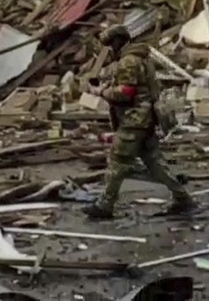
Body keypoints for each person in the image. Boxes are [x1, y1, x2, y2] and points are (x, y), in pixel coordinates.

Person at [83, 25, 194, 220]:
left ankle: (105, 205)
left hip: (133, 120)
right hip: (145, 119)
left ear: (118, 42)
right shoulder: (142, 58)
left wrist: (101, 92)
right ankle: (182, 198)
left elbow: (126, 93)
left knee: (118, 162)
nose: (108, 50)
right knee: (155, 163)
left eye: (110, 45)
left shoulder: (128, 61)